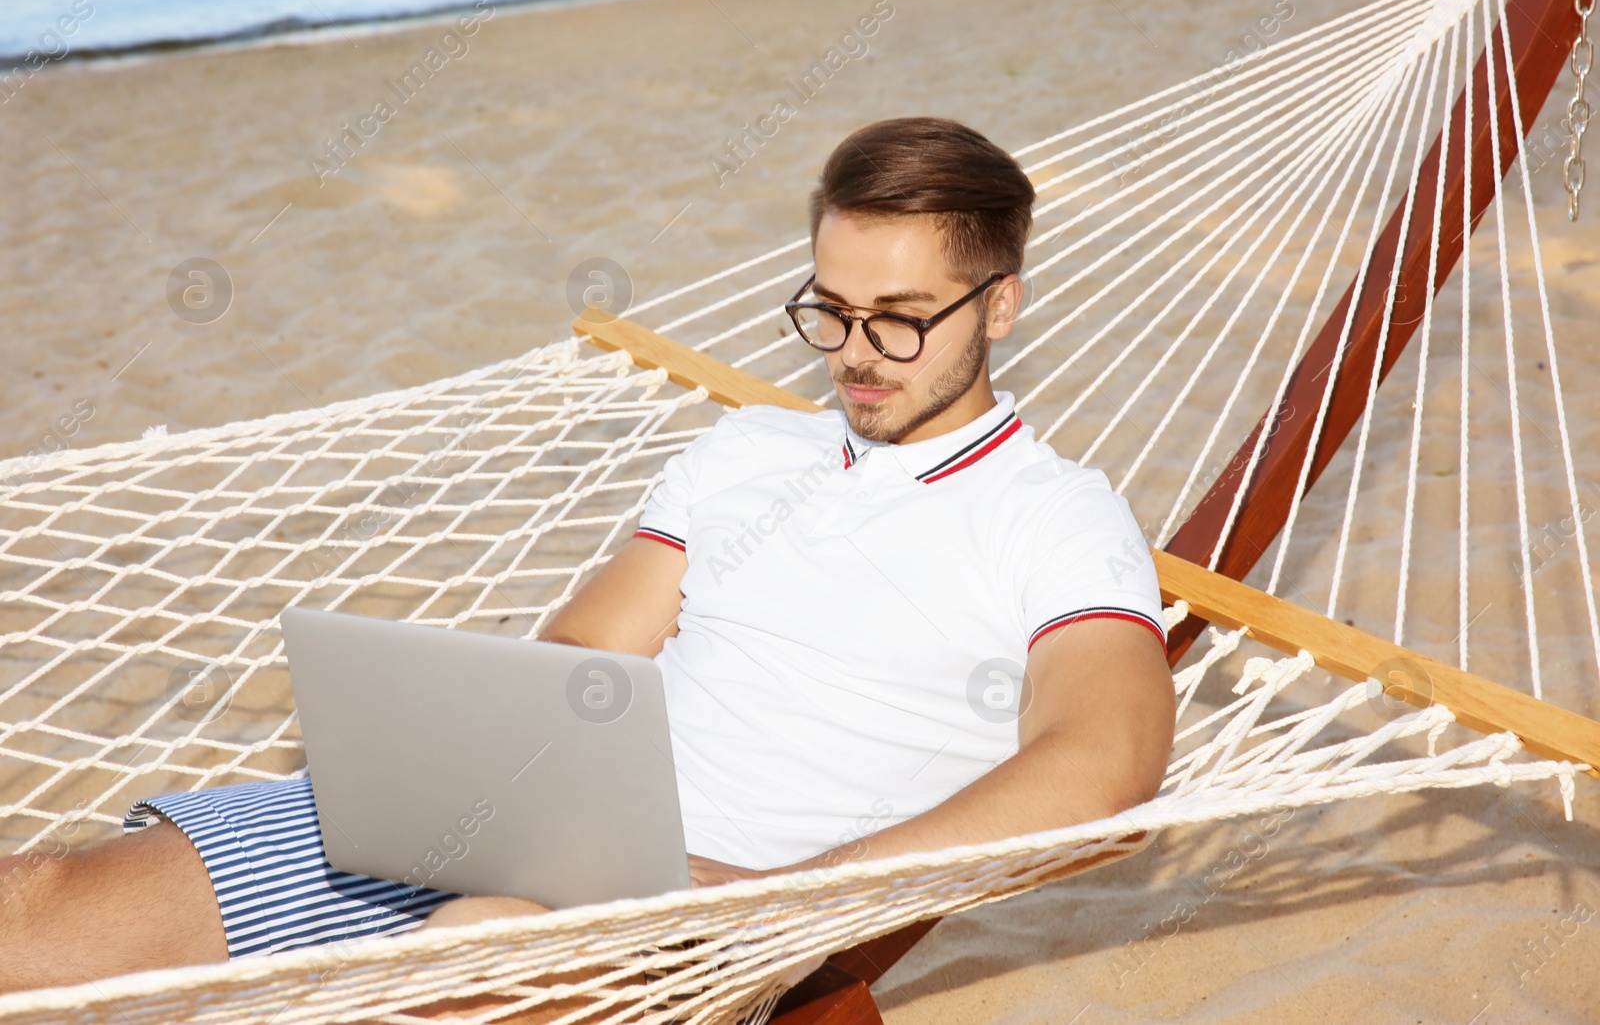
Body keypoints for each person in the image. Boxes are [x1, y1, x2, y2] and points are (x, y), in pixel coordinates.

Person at [0, 117, 1175, 999]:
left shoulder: (1055, 516)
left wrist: (791, 896)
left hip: (717, 899)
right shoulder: (746, 450)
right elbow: (584, 654)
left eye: (901, 317)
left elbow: (1103, 764)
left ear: (1001, 303)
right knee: (40, 905)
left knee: (463, 952)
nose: (856, 355)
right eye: (829, 309)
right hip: (527, 817)